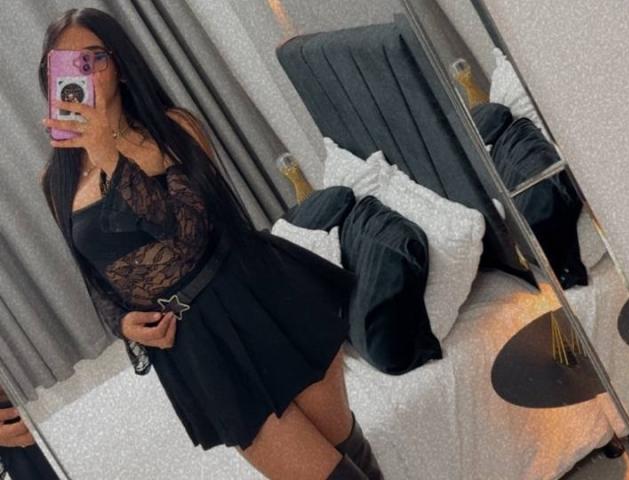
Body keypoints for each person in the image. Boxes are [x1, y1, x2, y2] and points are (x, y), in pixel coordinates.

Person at [38, 7, 383, 479]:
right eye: (65, 62)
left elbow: (189, 237)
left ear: (121, 65)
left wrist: (108, 155)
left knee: (351, 453)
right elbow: (97, 273)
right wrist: (124, 323)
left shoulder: (173, 130)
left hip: (259, 297)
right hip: (197, 348)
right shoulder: (55, 181)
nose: (82, 73)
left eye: (93, 57)